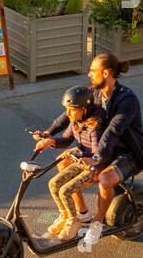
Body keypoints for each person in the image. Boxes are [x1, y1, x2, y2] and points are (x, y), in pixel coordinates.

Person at [44, 53, 143, 251]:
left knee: (105, 179)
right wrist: (48, 133)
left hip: (126, 154)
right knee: (63, 162)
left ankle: (97, 224)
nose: (89, 74)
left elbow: (112, 132)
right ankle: (81, 213)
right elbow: (69, 113)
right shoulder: (95, 93)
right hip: (99, 151)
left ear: (106, 73)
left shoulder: (127, 100)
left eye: (93, 71)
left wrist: (96, 158)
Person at [33, 87, 106, 241]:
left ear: (83, 109)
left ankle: (74, 221)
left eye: (71, 110)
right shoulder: (75, 121)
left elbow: (96, 155)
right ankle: (66, 215)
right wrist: (50, 141)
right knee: (54, 184)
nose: (67, 114)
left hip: (94, 167)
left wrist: (76, 152)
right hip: (82, 162)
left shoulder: (95, 127)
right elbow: (66, 139)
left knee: (65, 190)